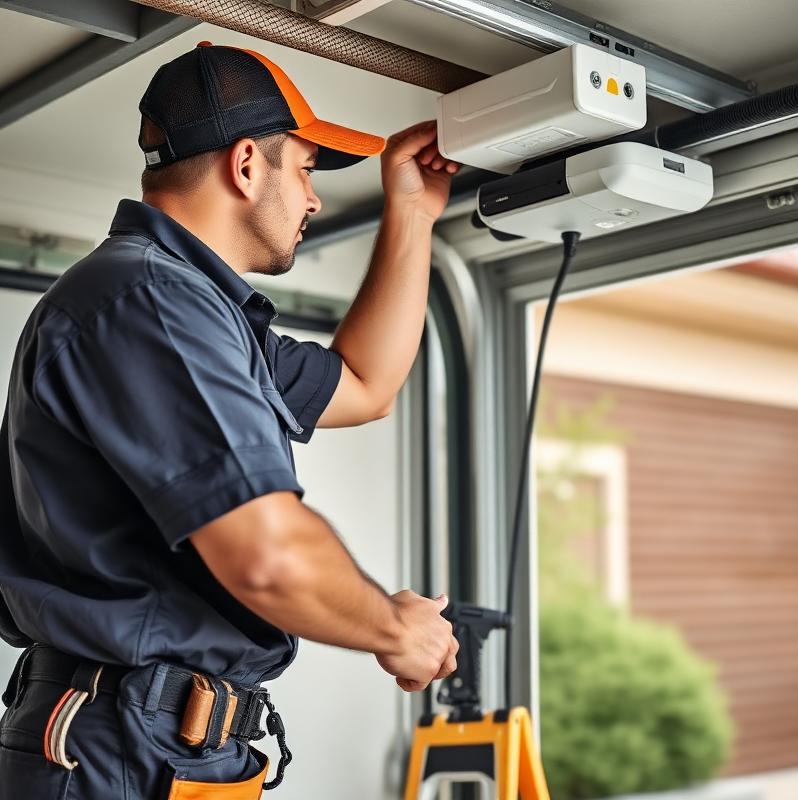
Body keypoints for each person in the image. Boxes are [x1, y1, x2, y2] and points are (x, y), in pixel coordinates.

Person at [0, 40, 460, 798]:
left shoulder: (201, 315)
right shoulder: (149, 302)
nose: (313, 198)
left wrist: (410, 210)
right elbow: (267, 556)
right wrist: (395, 628)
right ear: (248, 164)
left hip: (163, 740)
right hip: (124, 746)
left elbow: (366, 384)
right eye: (306, 169)